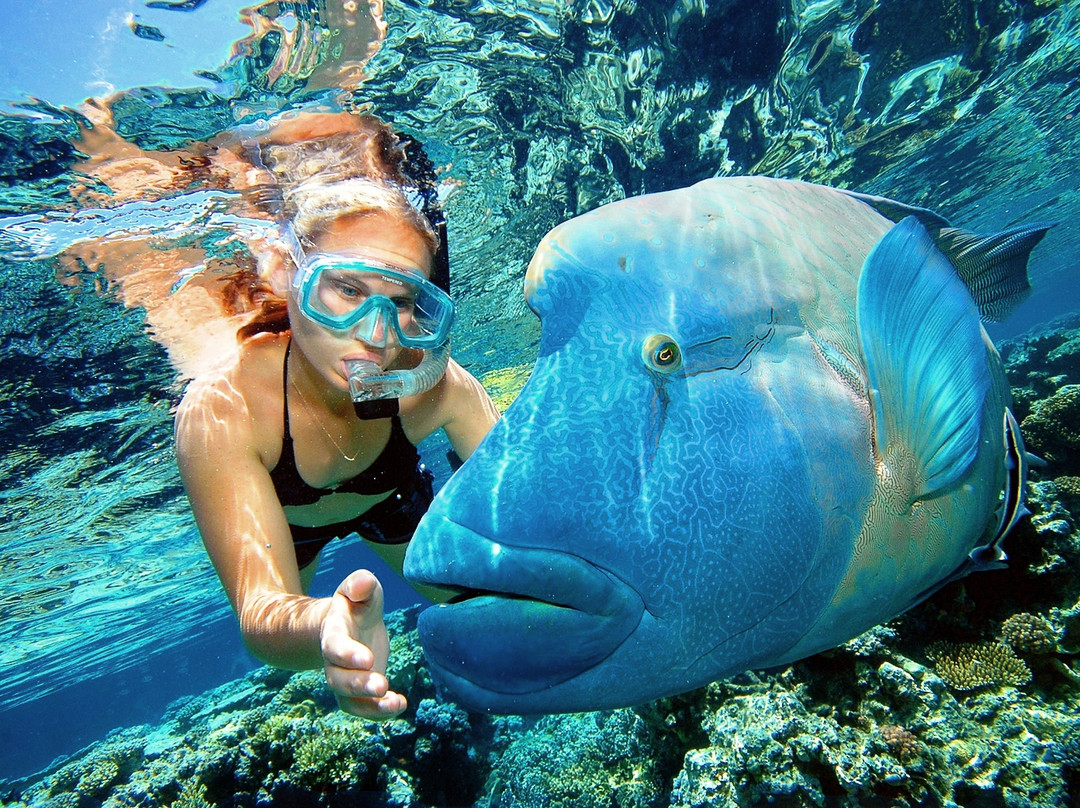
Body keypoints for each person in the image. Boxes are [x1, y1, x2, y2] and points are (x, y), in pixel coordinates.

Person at [173, 112, 499, 719]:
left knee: (470, 599)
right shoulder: (228, 409)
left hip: (388, 495)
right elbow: (262, 614)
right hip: (293, 525)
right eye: (345, 290)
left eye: (403, 302)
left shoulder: (436, 388)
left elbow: (534, 496)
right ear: (283, 270)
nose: (375, 338)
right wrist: (327, 624)